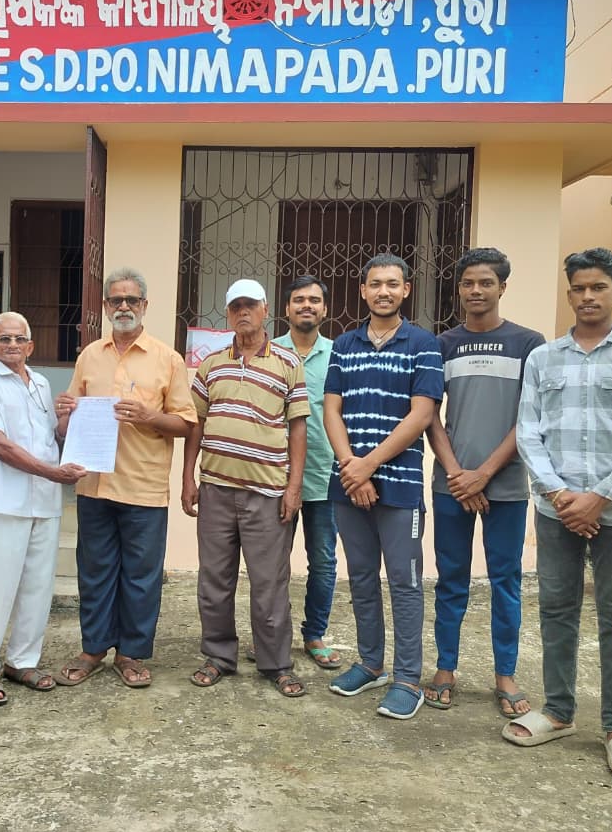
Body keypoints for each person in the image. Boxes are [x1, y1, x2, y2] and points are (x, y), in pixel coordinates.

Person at [505, 247, 612, 781]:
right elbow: (529, 431)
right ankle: (558, 710)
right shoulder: (543, 359)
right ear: (569, 293)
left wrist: (600, 497)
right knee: (556, 608)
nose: (587, 296)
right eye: (578, 288)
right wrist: (559, 496)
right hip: (556, 510)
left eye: (598, 287)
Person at [53, 267, 197, 688]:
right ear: (105, 306)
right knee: (94, 570)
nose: (123, 307)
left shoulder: (168, 359)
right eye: (116, 300)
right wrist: (65, 415)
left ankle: (131, 653)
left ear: (145, 306)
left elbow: (186, 423)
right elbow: (67, 425)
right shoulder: (89, 356)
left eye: (132, 300)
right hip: (94, 483)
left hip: (143, 485)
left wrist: (150, 416)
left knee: (140, 575)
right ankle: (94, 648)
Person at [423, 248, 544, 716]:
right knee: (451, 579)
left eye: (486, 282)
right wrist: (458, 473)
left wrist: (484, 474)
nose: (476, 291)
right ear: (459, 289)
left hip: (506, 484)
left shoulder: (528, 343)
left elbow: (529, 418)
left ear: (502, 287)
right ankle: (445, 668)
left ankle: (505, 675)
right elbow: (429, 415)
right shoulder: (443, 344)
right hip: (452, 485)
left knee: (505, 581)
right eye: (469, 283)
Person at [324, 253, 443, 721]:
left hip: (399, 486)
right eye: (375, 284)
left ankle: (408, 679)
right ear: (363, 290)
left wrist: (368, 466)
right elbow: (331, 409)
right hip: (348, 483)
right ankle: (371, 664)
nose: (384, 292)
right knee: (360, 577)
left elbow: (422, 414)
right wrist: (350, 467)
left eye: (393, 284)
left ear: (406, 290)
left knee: (404, 582)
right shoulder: (344, 344)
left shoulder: (424, 344)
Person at [181, 279, 309, 696]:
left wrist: (293, 487)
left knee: (269, 584)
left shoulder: (288, 363)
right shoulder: (211, 364)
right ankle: (218, 657)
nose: (243, 312)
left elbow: (298, 428)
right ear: (228, 313)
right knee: (214, 580)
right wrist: (187, 477)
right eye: (236, 306)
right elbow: (196, 424)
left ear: (265, 309)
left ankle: (277, 664)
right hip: (216, 489)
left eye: (250, 305)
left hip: (267, 492)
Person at [0, 312, 87, 705]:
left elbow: (51, 439)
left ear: (31, 346)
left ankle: (22, 661)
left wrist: (65, 421)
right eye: (5, 339)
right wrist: (53, 473)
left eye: (20, 339)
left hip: (44, 502)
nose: (13, 345)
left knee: (37, 587)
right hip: (5, 500)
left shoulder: (41, 384)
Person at [275, 275, 343, 671]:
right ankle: (273, 636)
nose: (306, 305)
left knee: (323, 562)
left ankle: (314, 634)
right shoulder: (269, 352)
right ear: (286, 308)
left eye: (314, 300)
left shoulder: (338, 355)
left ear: (324, 309)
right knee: (273, 563)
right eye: (299, 299)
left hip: (324, 476)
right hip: (274, 476)